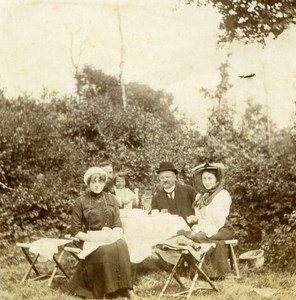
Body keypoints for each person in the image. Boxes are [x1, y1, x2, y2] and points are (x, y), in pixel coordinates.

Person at [68, 167, 134, 299]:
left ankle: (126, 288)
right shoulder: (81, 201)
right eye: (94, 181)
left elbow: (117, 223)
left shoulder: (112, 199)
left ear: (105, 183)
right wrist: (93, 238)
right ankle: (108, 289)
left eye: (100, 181)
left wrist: (113, 234)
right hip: (90, 239)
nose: (97, 185)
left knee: (122, 245)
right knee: (105, 251)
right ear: (88, 183)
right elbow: (74, 230)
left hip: (110, 236)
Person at [174, 162, 235, 279]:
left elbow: (217, 220)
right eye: (204, 178)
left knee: (197, 237)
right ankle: (202, 270)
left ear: (217, 180)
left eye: (210, 178)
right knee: (181, 234)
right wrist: (195, 219)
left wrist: (200, 226)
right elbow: (202, 219)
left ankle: (208, 272)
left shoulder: (222, 195)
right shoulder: (201, 197)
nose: (207, 182)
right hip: (207, 227)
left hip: (222, 228)